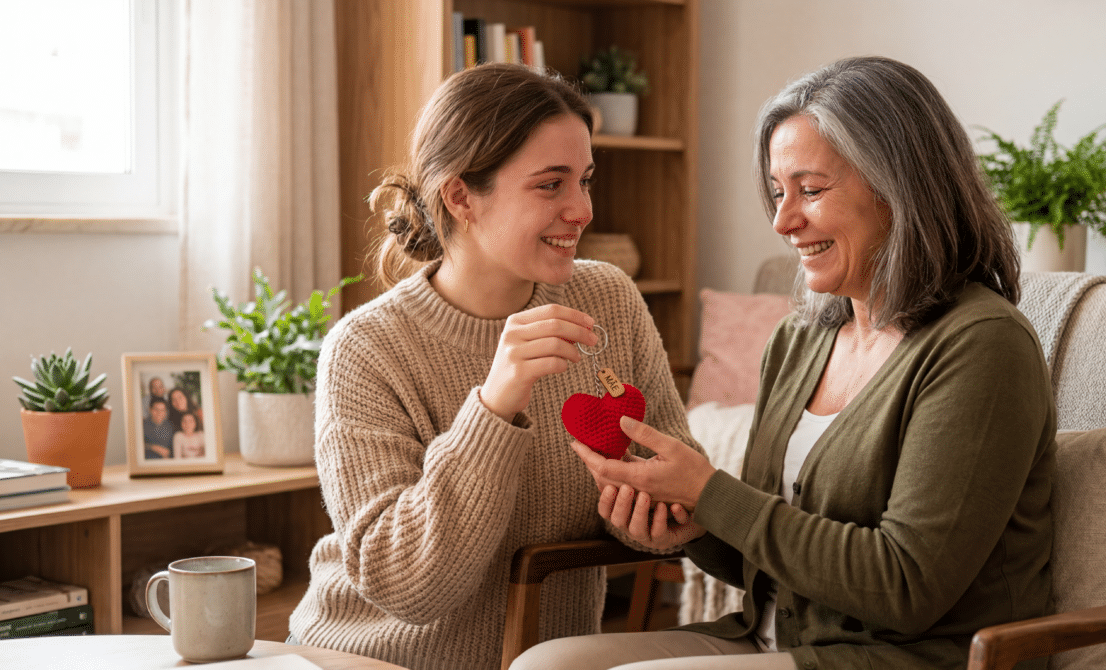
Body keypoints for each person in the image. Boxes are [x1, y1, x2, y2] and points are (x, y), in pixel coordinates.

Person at [515, 55, 1056, 670]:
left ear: (900, 185)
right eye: (777, 192)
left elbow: (906, 588)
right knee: (544, 665)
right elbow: (773, 552)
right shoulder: (800, 340)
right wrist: (692, 526)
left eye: (812, 189)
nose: (782, 220)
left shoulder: (982, 345)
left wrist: (713, 492)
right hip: (775, 638)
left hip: (907, 658)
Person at [287, 63, 701, 670]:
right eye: (550, 185)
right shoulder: (364, 349)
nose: (582, 209)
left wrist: (660, 520)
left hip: (544, 658)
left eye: (585, 180)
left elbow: (666, 483)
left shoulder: (609, 299)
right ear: (460, 198)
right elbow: (405, 588)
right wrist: (495, 404)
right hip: (371, 658)